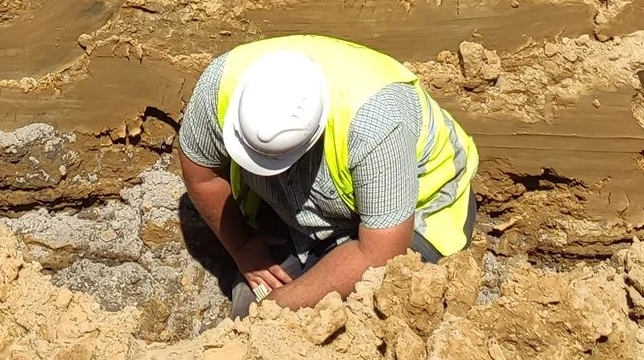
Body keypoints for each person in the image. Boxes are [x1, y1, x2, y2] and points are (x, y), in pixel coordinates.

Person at [177, 34, 480, 313]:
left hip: (414, 216)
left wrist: (277, 309)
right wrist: (242, 247)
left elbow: (379, 255)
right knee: (246, 310)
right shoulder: (221, 85)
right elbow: (201, 173)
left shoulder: (376, 125)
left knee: (366, 317)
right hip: (301, 208)